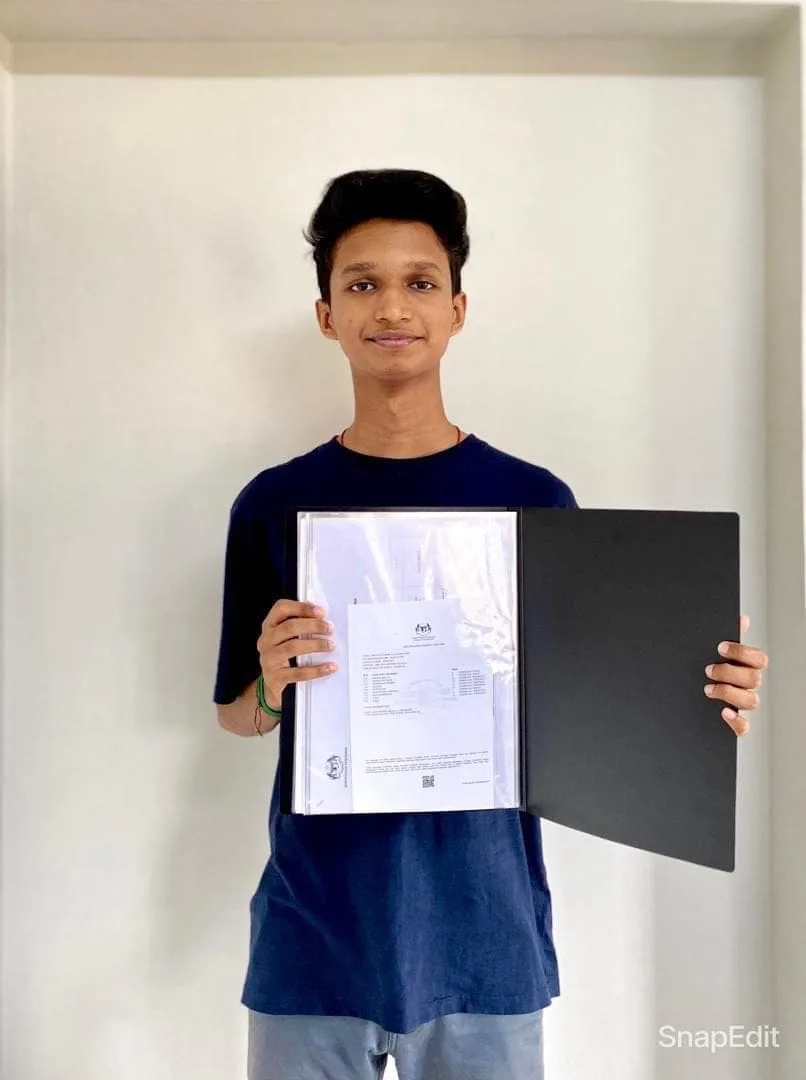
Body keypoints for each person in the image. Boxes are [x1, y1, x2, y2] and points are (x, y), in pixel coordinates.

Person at [213, 169, 769, 1080]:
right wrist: (271, 687)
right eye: (362, 283)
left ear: (458, 308)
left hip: (486, 933)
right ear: (326, 315)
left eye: (420, 281)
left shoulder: (534, 500)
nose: (393, 306)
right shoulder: (273, 502)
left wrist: (698, 696)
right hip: (313, 935)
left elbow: (586, 709)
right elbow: (236, 714)